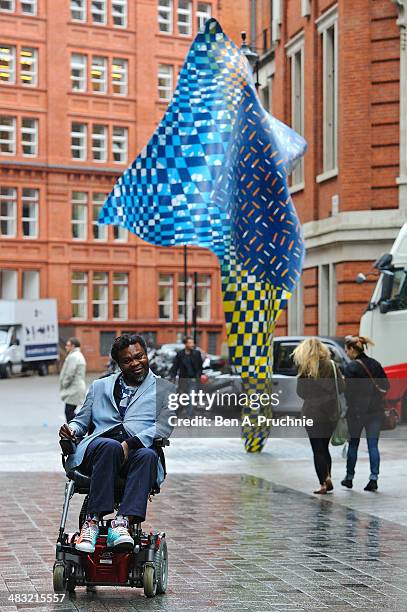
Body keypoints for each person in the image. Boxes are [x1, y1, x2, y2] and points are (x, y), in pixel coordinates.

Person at [59, 334, 175, 554]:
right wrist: (71, 429)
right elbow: (81, 421)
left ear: (146, 355)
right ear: (119, 364)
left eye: (139, 356)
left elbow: (163, 427)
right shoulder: (100, 386)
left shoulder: (165, 389)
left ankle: (121, 523)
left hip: (137, 451)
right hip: (100, 449)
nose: (135, 363)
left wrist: (130, 444)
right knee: (110, 446)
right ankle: (91, 523)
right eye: (127, 360)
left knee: (149, 455)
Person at [293, 338, 343, 495]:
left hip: (312, 413)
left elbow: (300, 392)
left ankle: (323, 483)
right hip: (331, 413)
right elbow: (342, 387)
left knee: (317, 450)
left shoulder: (305, 368)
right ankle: (328, 476)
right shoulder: (333, 366)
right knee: (325, 447)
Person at [341, 335, 389, 492]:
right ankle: (373, 479)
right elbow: (386, 386)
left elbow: (347, 391)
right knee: (373, 446)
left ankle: (349, 478)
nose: (346, 353)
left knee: (353, 444)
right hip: (375, 411)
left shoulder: (351, 368)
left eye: (347, 350)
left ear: (352, 349)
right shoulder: (375, 364)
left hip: (356, 412)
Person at [169, 336, 203, 417]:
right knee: (183, 398)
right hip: (183, 380)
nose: (192, 344)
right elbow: (175, 366)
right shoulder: (180, 354)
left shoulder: (197, 354)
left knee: (191, 397)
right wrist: (172, 377)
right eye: (190, 343)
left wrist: (196, 377)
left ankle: (189, 415)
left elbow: (200, 368)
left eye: (193, 343)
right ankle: (183, 412)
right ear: (185, 344)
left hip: (193, 380)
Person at [59, 337, 87, 423]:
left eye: (68, 345)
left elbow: (70, 373)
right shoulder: (77, 355)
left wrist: (64, 384)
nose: (66, 347)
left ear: (73, 346)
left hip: (74, 388)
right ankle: (74, 430)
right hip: (76, 387)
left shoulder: (74, 357)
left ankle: (75, 430)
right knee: (70, 411)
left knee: (69, 412)